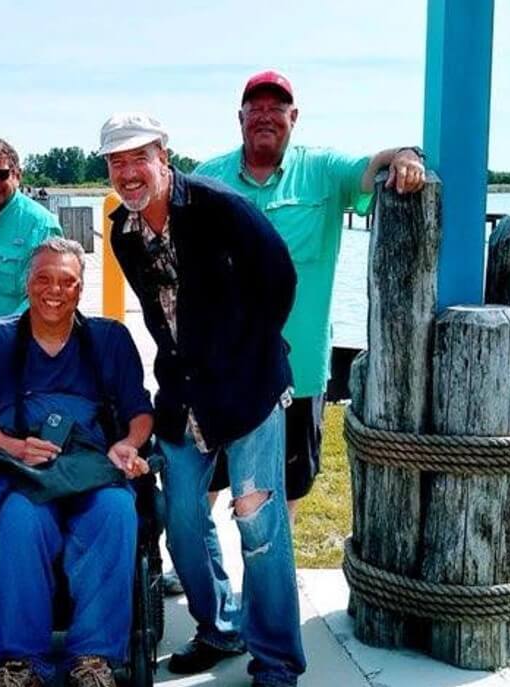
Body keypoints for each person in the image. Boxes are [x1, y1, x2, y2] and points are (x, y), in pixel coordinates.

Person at [102, 112, 304, 687]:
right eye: (116, 163)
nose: (128, 172)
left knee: (258, 523)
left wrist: (250, 350)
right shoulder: (121, 233)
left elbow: (279, 278)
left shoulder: (221, 207)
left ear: (164, 157)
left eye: (139, 158)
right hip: (182, 393)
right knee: (183, 520)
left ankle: (278, 661)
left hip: (250, 389)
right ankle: (218, 627)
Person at [192, 69, 426, 522]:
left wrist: (406, 156)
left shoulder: (322, 171)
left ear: (293, 116)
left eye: (275, 108)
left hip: (299, 364)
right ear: (238, 117)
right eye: (254, 108)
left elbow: (372, 166)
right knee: (211, 473)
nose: (264, 116)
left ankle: (272, 573)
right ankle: (198, 569)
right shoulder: (207, 177)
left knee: (291, 478)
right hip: (223, 363)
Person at [0, 237, 153, 687]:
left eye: (67, 281)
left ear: (81, 289)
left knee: (117, 511)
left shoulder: (109, 338)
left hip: (91, 468)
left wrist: (128, 443)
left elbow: (139, 411)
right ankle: (20, 661)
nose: (54, 290)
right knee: (24, 519)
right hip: (19, 472)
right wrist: (12, 445)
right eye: (43, 279)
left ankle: (95, 658)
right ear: (26, 284)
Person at [0, 137, 63, 337]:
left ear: (16, 175)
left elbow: (50, 295)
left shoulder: (41, 224)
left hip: (22, 346)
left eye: (1, 174)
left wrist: (1, 336)